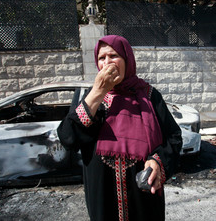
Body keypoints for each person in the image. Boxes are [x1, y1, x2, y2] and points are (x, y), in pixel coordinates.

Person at [57, 35, 182, 221]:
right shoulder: (88, 96)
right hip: (102, 199)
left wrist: (158, 162)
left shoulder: (149, 96)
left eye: (113, 56)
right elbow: (68, 138)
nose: (107, 63)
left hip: (144, 200)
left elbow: (173, 137)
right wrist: (99, 92)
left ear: (127, 60)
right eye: (101, 58)